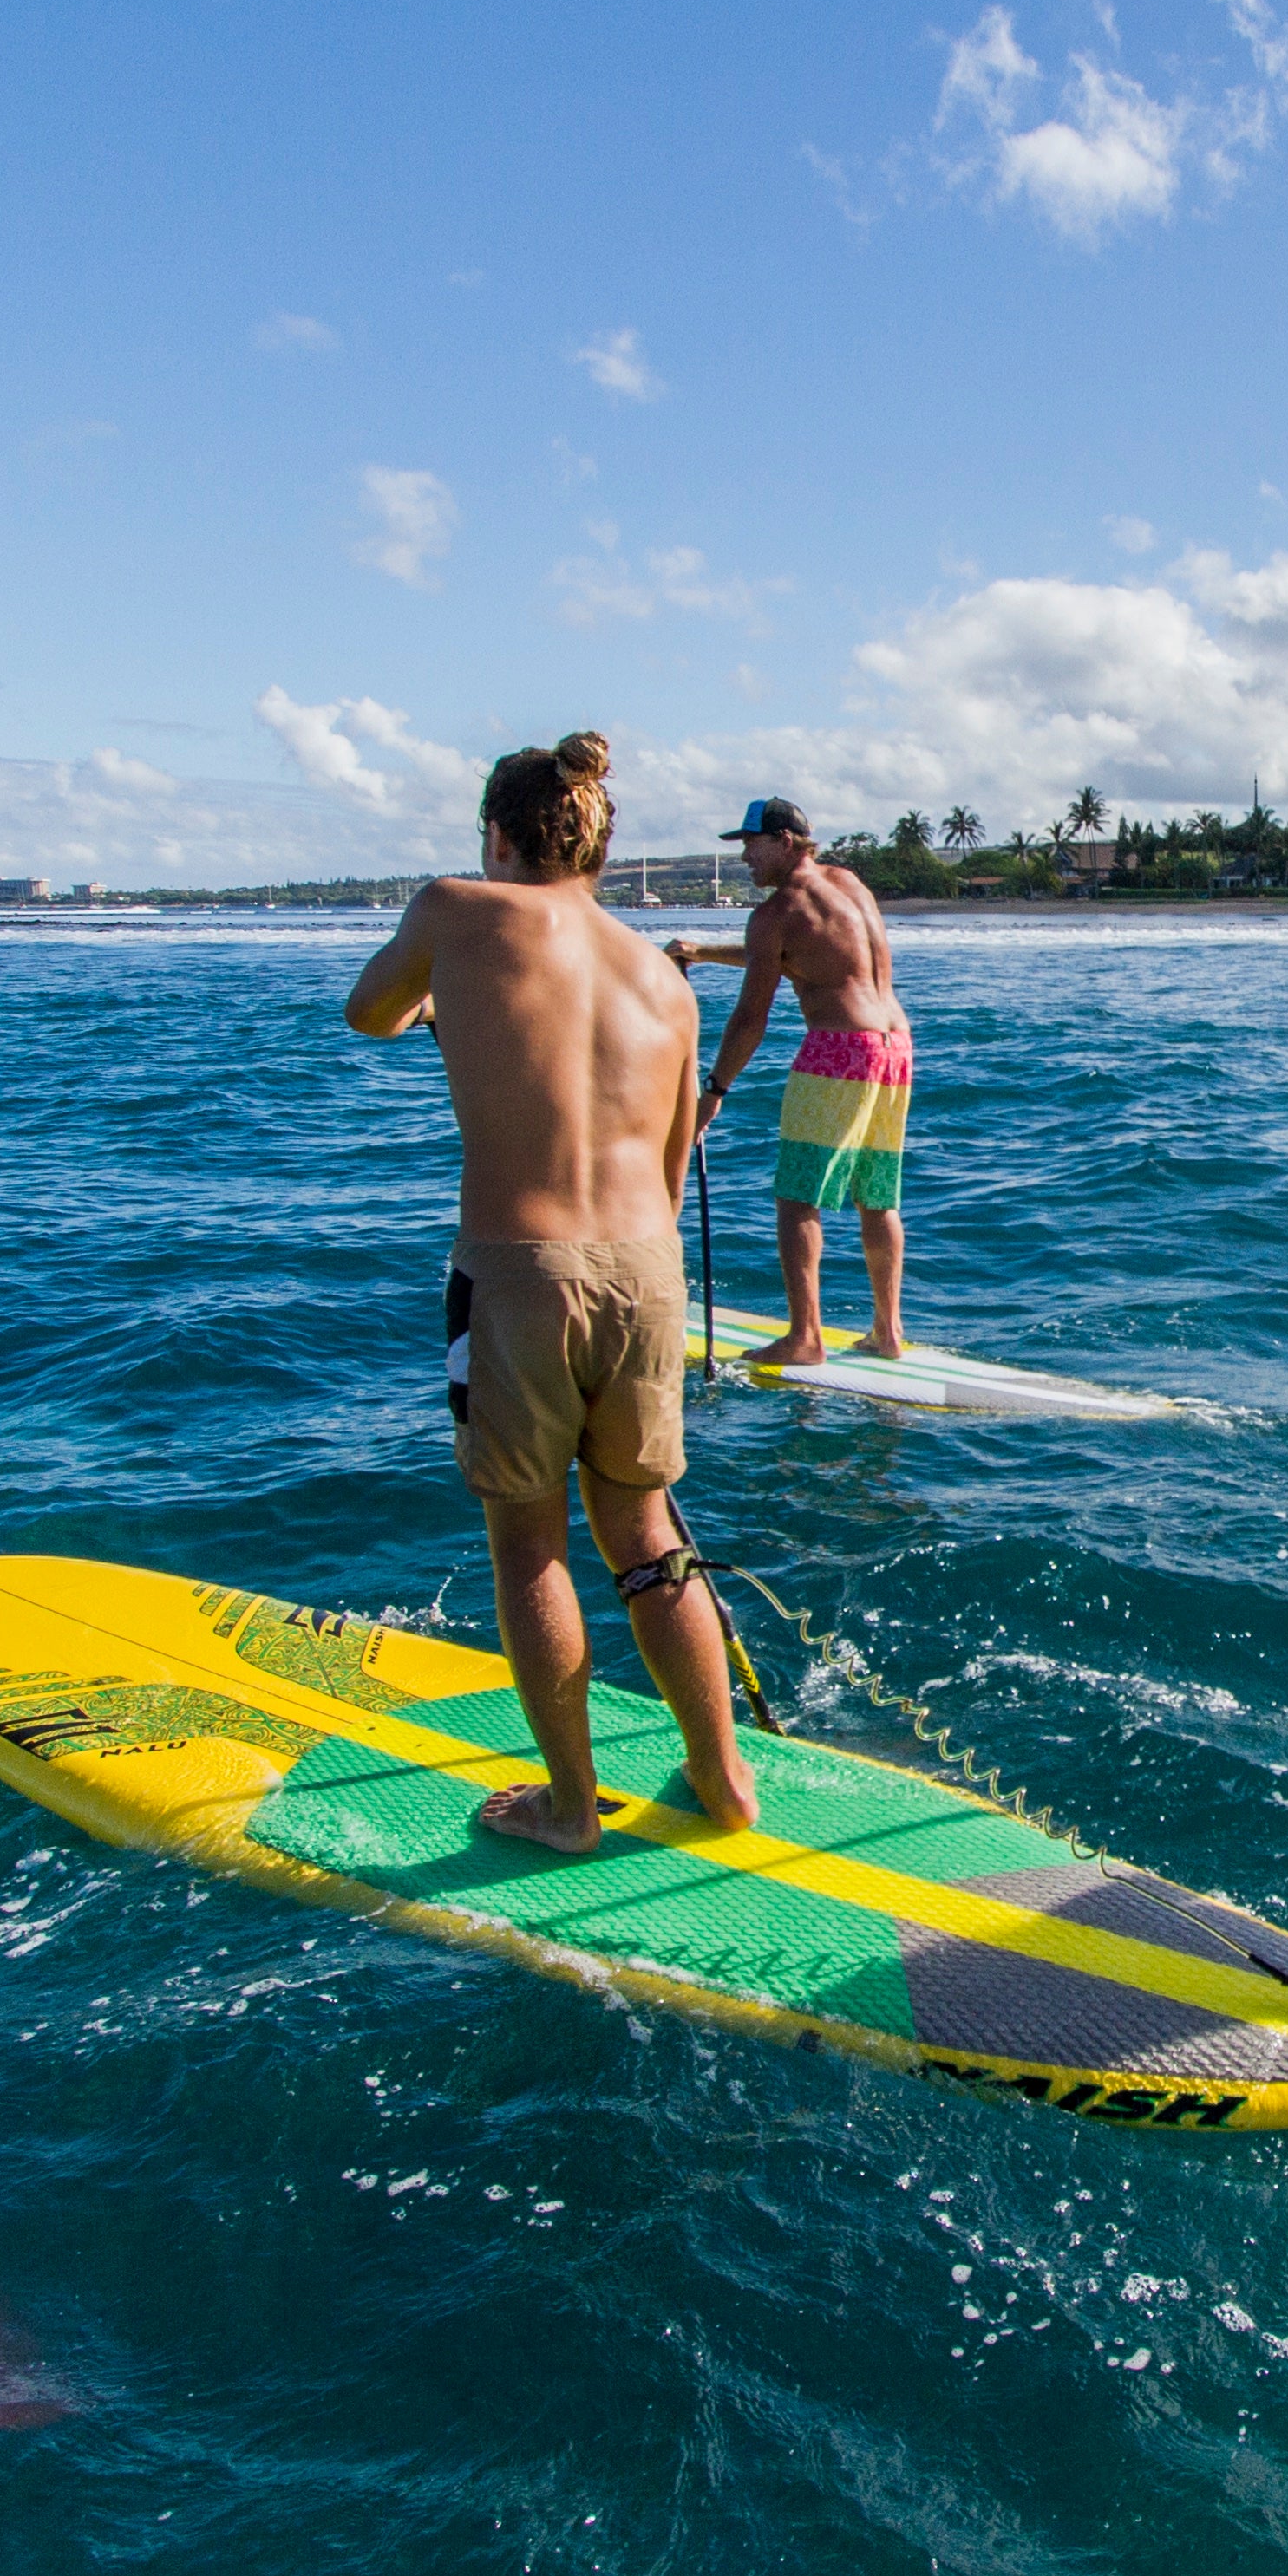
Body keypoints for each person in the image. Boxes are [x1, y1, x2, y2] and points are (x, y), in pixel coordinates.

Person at [343, 734, 759, 1850]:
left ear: (498, 833)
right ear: (599, 842)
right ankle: (722, 1776)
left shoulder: (455, 908)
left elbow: (367, 1012)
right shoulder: (664, 980)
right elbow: (675, 1163)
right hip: (649, 1272)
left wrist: (443, 1008)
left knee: (530, 1546)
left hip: (523, 1275)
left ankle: (572, 1806)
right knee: (644, 1530)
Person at [667, 795, 914, 1366]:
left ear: (785, 840)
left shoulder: (776, 912)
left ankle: (805, 1338)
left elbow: (750, 1017)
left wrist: (714, 1091)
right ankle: (888, 1332)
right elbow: (801, 956)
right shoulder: (847, 884)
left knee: (797, 1198)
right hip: (894, 1047)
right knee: (876, 1196)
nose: (744, 857)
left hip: (837, 1053)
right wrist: (704, 952)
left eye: (751, 844)